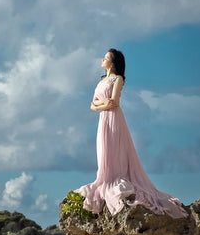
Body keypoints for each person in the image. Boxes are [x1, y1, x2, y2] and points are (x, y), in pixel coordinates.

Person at [76, 49, 186, 217]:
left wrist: (101, 104)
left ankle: (116, 177)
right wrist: (102, 104)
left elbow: (115, 102)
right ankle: (106, 177)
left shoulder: (117, 79)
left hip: (114, 118)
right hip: (103, 119)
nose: (102, 59)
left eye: (105, 58)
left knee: (114, 149)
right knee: (104, 150)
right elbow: (93, 104)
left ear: (112, 62)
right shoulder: (101, 81)